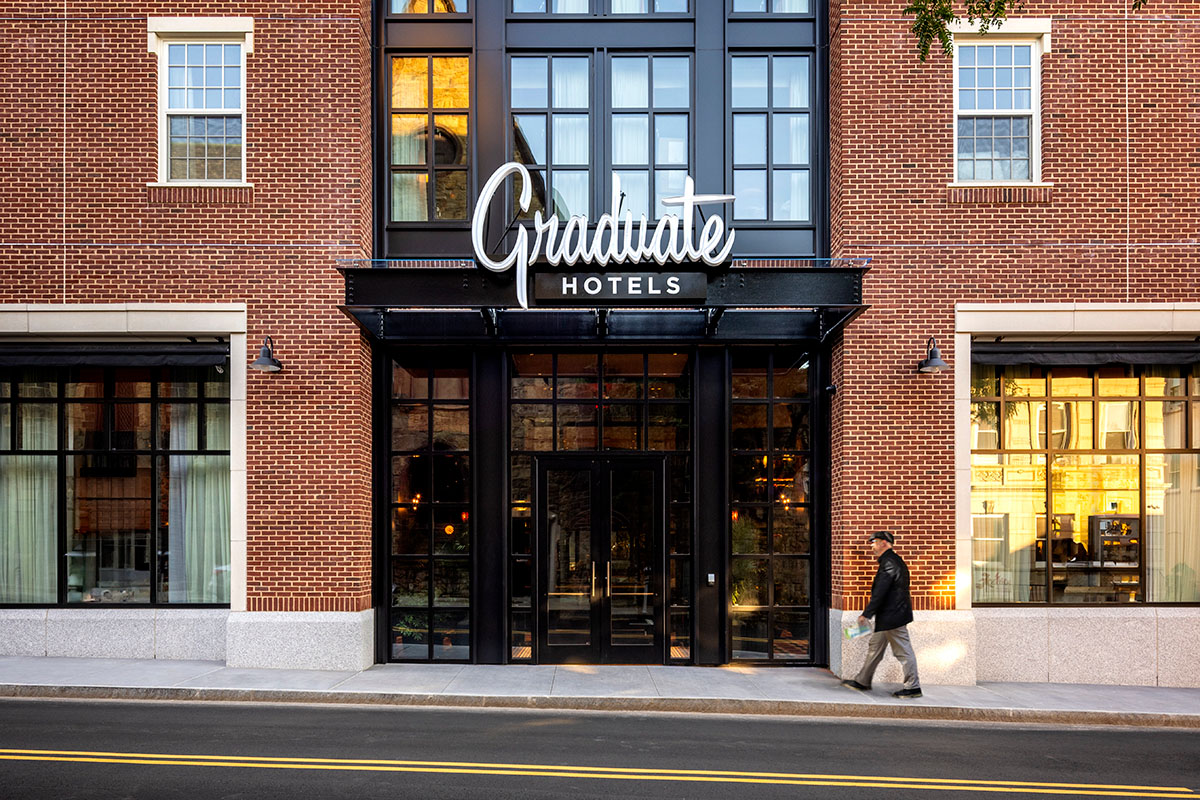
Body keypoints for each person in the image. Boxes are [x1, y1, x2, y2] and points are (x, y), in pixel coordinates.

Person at [840, 531, 922, 698]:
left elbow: (880, 592)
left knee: (903, 652)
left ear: (884, 543)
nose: (872, 546)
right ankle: (862, 681)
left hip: (893, 617)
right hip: (888, 616)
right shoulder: (892, 561)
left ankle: (913, 687)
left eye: (875, 542)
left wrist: (866, 614)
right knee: (874, 648)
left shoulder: (890, 563)